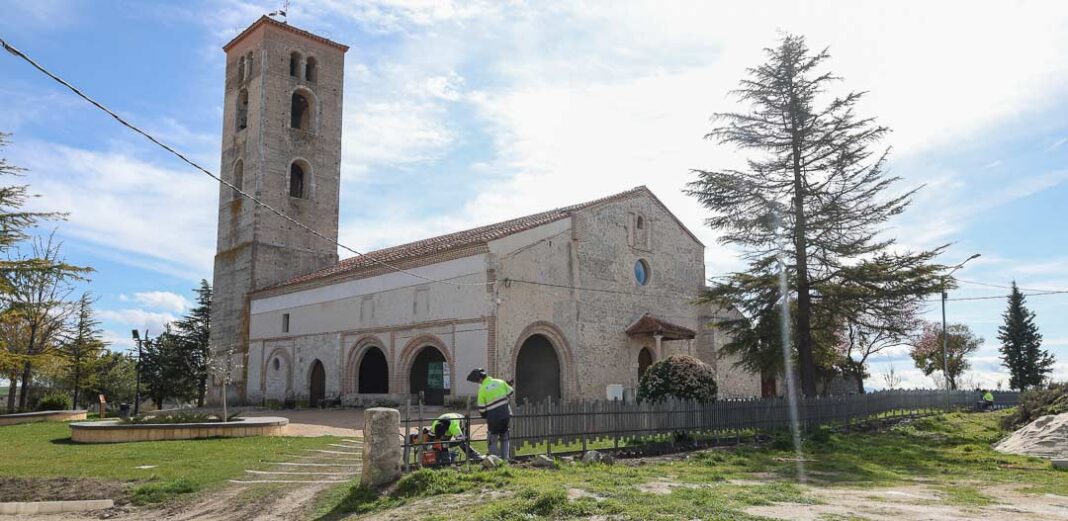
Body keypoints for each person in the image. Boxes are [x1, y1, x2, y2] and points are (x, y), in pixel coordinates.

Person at [468, 368, 514, 460]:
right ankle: (505, 460)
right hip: (505, 416)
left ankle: (494, 460)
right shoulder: (500, 382)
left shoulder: (482, 389)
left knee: (492, 440)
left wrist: (485, 415)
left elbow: (481, 408)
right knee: (505, 438)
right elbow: (511, 392)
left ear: (480, 379)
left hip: (493, 419)